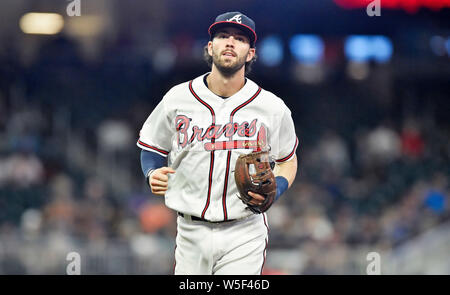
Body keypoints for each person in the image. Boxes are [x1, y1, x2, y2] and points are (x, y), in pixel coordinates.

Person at [137, 11, 298, 275]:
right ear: (210, 47)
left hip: (244, 229)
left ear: (251, 53)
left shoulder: (271, 107)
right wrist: (151, 172)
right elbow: (152, 146)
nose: (230, 42)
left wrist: (277, 189)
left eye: (240, 38)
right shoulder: (178, 98)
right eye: (223, 36)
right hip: (190, 229)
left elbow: (287, 159)